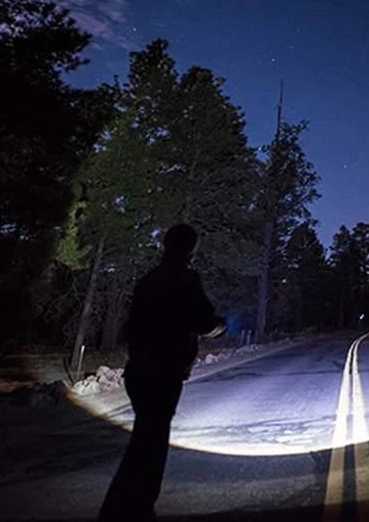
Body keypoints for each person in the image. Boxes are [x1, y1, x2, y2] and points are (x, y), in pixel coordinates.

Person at [98, 223, 227, 521]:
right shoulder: (185, 279)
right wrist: (220, 326)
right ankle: (132, 508)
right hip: (164, 372)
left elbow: (134, 327)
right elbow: (202, 320)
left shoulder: (148, 280)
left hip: (139, 371)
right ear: (190, 249)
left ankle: (130, 506)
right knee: (151, 443)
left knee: (145, 439)